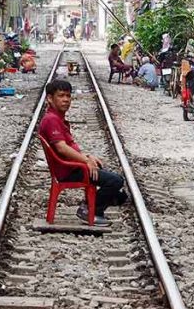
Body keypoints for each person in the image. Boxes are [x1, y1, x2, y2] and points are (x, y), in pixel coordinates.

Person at [38, 80, 128, 226]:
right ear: (49, 98)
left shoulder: (56, 118)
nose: (66, 100)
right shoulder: (51, 120)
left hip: (72, 167)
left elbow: (67, 147)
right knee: (116, 181)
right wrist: (85, 161)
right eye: (61, 96)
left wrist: (86, 156)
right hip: (68, 171)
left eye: (68, 96)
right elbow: (61, 148)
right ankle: (90, 210)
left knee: (113, 180)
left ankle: (111, 200)